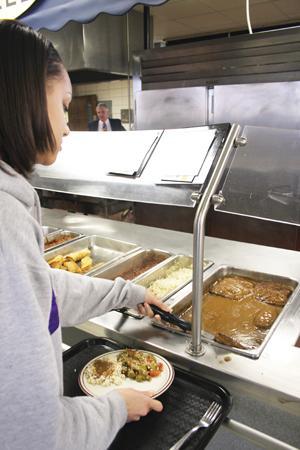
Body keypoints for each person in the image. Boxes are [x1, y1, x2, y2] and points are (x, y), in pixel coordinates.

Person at [0, 20, 169, 450]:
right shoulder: (4, 220)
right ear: (25, 98)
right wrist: (113, 408)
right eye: (64, 104)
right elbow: (32, 433)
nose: (68, 125)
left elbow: (41, 289)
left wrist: (124, 293)